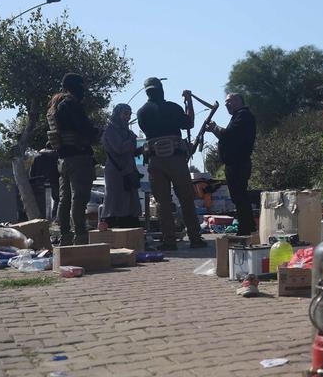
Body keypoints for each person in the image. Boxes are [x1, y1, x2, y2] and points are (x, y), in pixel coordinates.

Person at [136, 77, 207, 251]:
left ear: (147, 92)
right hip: (176, 158)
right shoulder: (173, 107)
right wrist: (189, 101)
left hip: (155, 160)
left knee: (162, 202)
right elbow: (189, 122)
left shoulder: (142, 112)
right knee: (186, 199)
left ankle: (169, 241)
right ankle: (195, 238)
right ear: (161, 89)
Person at [46, 73, 99, 245]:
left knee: (65, 199)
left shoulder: (57, 106)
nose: (83, 90)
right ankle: (80, 236)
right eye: (81, 86)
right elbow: (84, 129)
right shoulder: (71, 104)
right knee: (79, 198)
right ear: (74, 87)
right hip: (78, 158)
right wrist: (97, 132)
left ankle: (65, 236)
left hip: (64, 160)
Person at [204, 93, 257, 237]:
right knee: (238, 196)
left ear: (239, 101)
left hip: (239, 163)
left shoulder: (243, 116)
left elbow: (229, 135)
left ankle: (245, 228)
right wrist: (215, 130)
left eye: (230, 101)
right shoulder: (238, 117)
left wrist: (215, 127)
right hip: (234, 163)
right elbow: (228, 138)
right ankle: (248, 226)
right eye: (226, 102)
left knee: (239, 196)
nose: (227, 104)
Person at [101, 104, 143, 229]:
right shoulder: (110, 130)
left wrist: (142, 149)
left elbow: (131, 151)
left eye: (129, 114)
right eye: (125, 114)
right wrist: (131, 140)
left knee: (130, 200)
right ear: (118, 114)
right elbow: (119, 148)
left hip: (129, 170)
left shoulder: (127, 131)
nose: (128, 117)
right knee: (115, 199)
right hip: (116, 171)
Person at [28, 147, 61, 220]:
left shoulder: (37, 157)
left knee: (41, 204)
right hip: (54, 182)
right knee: (57, 201)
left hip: (39, 184)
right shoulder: (55, 156)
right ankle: (54, 218)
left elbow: (32, 173)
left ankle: (42, 220)